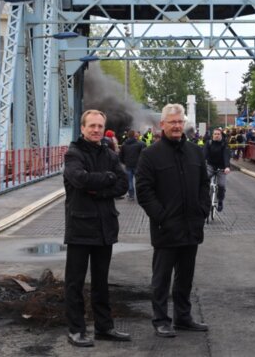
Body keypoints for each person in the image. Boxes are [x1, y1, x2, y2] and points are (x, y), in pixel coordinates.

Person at [135, 104, 210, 338]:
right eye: (173, 122)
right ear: (162, 125)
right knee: (161, 278)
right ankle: (160, 319)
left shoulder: (195, 152)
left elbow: (203, 185)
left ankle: (183, 317)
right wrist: (162, 217)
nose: (177, 126)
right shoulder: (150, 155)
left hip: (191, 226)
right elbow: (144, 191)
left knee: (185, 277)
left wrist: (202, 211)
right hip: (166, 228)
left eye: (180, 122)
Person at [62, 109, 130, 347]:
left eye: (100, 126)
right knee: (75, 282)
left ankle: (104, 327)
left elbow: (122, 184)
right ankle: (76, 330)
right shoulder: (73, 154)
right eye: (91, 126)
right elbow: (79, 179)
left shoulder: (109, 154)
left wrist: (99, 186)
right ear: (82, 128)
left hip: (105, 227)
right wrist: (107, 178)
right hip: (80, 227)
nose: (96, 130)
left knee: (101, 282)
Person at [202, 127, 231, 211]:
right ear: (212, 135)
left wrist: (227, 167)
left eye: (218, 134)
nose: (216, 136)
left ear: (221, 135)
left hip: (221, 167)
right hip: (211, 165)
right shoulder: (209, 143)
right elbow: (204, 154)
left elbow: (226, 156)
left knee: (221, 185)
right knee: (204, 180)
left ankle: (220, 201)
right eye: (215, 134)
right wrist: (201, 163)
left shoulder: (224, 144)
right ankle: (204, 198)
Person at [119, 130, 144, 202]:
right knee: (139, 181)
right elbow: (142, 155)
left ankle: (131, 196)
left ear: (128, 136)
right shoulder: (140, 144)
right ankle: (140, 195)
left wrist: (124, 162)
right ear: (134, 135)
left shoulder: (124, 145)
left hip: (128, 165)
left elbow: (121, 156)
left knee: (129, 181)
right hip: (137, 165)